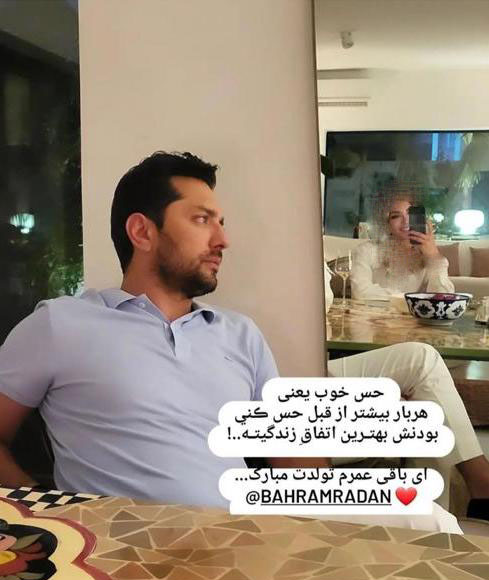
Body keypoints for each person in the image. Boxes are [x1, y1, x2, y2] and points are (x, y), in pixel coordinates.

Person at [0, 151, 472, 532]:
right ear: (142, 231)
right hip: (135, 544)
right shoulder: (62, 325)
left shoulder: (238, 333)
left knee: (429, 519)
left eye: (221, 222)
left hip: (248, 527)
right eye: (202, 220)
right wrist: (49, 516)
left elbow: (296, 464)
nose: (223, 239)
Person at [325, 264, 489, 520]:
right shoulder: (368, 252)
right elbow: (360, 293)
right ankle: (474, 489)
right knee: (425, 397)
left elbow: (443, 295)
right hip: (294, 373)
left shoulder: (424, 259)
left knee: (423, 364)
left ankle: (437, 516)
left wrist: (434, 261)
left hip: (313, 364)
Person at [350, 183, 454, 300]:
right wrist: (408, 299)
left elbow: (443, 299)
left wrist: (434, 257)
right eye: (396, 216)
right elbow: (360, 292)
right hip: (375, 312)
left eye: (410, 214)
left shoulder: (427, 254)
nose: (405, 221)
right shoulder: (366, 250)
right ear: (386, 223)